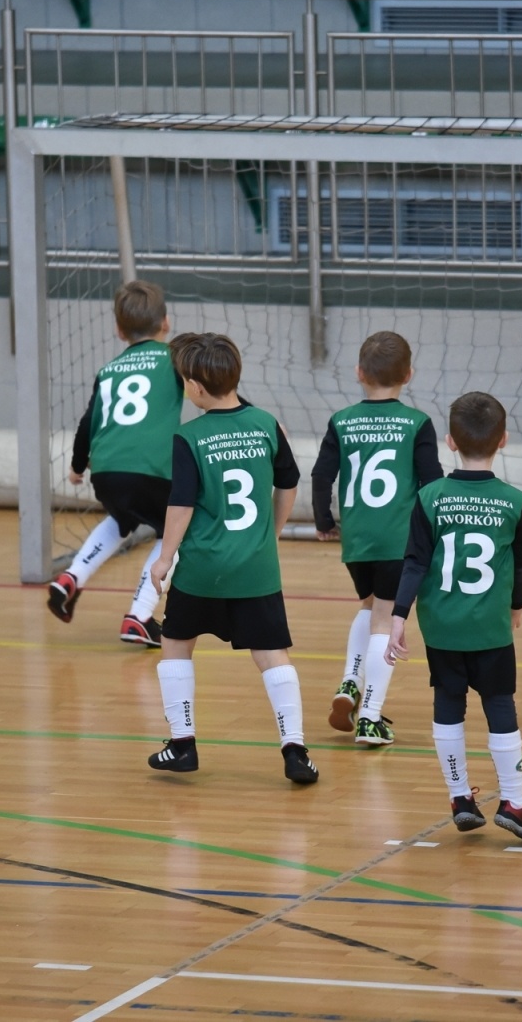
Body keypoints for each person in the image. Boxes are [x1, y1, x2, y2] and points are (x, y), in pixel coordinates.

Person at [144, 333, 316, 785]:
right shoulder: (266, 423)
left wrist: (163, 559)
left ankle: (182, 744)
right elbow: (290, 483)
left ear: (196, 387)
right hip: (256, 570)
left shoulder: (189, 436)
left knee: (177, 642)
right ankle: (295, 750)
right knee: (272, 655)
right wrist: (271, 535)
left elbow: (180, 506)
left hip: (202, 570)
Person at [388, 392, 522, 843]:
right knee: (499, 704)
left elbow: (415, 561)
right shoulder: (514, 501)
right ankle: (513, 803)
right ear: (504, 440)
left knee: (448, 704)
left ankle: (460, 798)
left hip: (442, 627)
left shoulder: (430, 496)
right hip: (489, 627)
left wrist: (399, 617)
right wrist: (515, 608)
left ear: (450, 441)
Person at [312, 331, 442, 746]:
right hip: (397, 540)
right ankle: (369, 716)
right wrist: (436, 533)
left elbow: (320, 474)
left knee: (371, 608)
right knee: (387, 620)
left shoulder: (342, 420)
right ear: (409, 374)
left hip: (358, 540)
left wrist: (323, 520)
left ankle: (351, 682)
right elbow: (432, 481)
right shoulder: (417, 423)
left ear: (358, 373)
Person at [49, 280, 185, 648]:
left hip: (106, 472)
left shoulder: (108, 371)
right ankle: (140, 615)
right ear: (166, 323)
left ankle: (72, 577)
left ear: (119, 330)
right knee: (177, 528)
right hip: (153, 470)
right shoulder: (174, 358)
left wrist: (78, 467)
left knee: (122, 519)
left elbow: (86, 423)